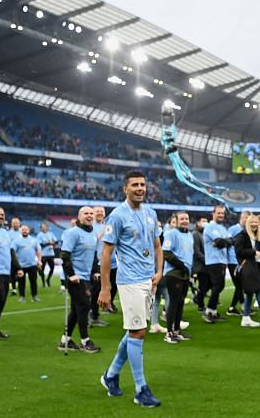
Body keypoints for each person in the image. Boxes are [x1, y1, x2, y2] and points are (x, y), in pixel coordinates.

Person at [98, 170, 163, 408]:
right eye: (135, 184)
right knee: (138, 333)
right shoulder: (117, 216)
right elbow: (106, 253)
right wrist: (105, 289)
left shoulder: (150, 213)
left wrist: (159, 271)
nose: (140, 188)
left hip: (148, 280)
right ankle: (140, 389)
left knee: (135, 330)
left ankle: (111, 375)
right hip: (129, 281)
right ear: (125, 188)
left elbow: (157, 246)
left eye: (143, 184)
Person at [59, 206, 101, 353]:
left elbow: (94, 256)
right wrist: (71, 275)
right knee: (84, 307)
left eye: (91, 213)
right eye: (86, 213)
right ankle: (85, 341)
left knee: (77, 310)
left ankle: (66, 339)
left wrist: (96, 271)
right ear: (79, 216)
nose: (89, 216)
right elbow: (64, 255)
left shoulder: (93, 234)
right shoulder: (72, 233)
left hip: (87, 277)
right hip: (76, 278)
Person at [162, 212, 193, 343]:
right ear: (176, 221)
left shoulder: (189, 235)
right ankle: (168, 332)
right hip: (174, 273)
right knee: (174, 302)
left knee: (180, 302)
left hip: (185, 273)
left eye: (186, 218)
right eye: (182, 219)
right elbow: (166, 252)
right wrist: (181, 265)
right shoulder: (171, 233)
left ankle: (177, 330)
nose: (185, 221)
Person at [202, 205, 232, 323]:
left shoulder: (222, 228)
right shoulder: (210, 227)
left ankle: (213, 311)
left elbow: (229, 241)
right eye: (219, 213)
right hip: (214, 260)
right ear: (213, 213)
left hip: (222, 260)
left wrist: (223, 242)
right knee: (218, 285)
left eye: (222, 213)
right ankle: (209, 310)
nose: (221, 215)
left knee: (220, 285)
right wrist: (223, 242)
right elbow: (220, 241)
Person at [0, 206, 24, 338]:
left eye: (2, 215)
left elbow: (11, 252)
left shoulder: (5, 233)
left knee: (1, 301)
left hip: (5, 273)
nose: (0, 217)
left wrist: (18, 268)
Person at [226, 210, 252, 317]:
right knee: (239, 285)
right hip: (233, 261)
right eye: (248, 219)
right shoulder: (233, 229)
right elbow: (227, 243)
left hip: (241, 261)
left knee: (240, 285)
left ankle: (243, 305)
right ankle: (232, 307)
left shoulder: (247, 230)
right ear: (243, 218)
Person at [89, 206, 110, 327]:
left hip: (104, 264)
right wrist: (103, 232)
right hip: (93, 263)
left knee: (99, 291)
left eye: (102, 211)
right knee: (91, 291)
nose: (100, 213)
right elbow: (92, 242)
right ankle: (89, 316)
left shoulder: (107, 227)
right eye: (97, 211)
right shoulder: (90, 227)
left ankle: (95, 315)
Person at [12, 225, 41, 303]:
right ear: (20, 231)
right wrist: (16, 265)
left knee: (33, 282)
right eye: (23, 229)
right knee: (21, 282)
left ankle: (34, 296)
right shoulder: (16, 241)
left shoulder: (34, 240)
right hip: (21, 266)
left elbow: (38, 250)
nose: (24, 231)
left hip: (32, 265)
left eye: (26, 229)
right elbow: (13, 252)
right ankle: (22, 297)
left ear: (29, 231)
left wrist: (39, 260)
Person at [191, 216, 209, 312]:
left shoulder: (204, 234)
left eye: (206, 221)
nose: (205, 223)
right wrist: (207, 260)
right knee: (203, 285)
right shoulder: (195, 234)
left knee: (208, 284)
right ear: (198, 223)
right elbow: (197, 251)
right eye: (203, 221)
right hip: (200, 265)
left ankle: (198, 298)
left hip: (205, 264)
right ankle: (200, 305)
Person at [37, 223, 57, 288]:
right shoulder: (39, 235)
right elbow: (40, 245)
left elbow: (56, 241)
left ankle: (48, 279)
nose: (44, 228)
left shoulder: (51, 234)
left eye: (45, 227)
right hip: (43, 254)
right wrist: (49, 243)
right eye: (43, 227)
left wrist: (53, 244)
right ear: (41, 228)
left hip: (51, 254)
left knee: (52, 268)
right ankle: (43, 282)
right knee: (41, 269)